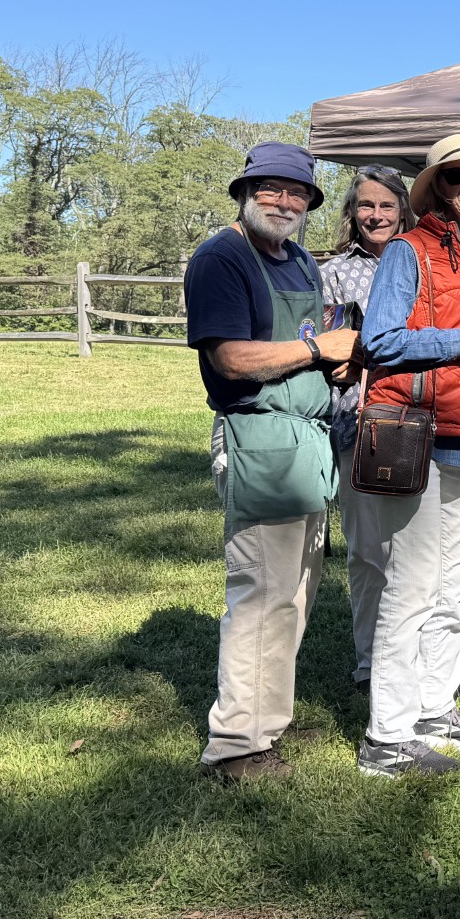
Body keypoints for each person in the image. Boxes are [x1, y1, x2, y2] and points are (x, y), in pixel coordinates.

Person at [184, 142, 358, 781]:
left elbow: (309, 346)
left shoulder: (299, 259)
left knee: (292, 596)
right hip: (260, 442)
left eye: (297, 193)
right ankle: (236, 748)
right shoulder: (222, 257)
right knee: (262, 596)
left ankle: (263, 730)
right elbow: (229, 358)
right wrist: (318, 349)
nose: (284, 202)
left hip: (306, 443)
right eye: (271, 189)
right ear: (245, 192)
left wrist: (335, 358)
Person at [357, 134, 460, 779]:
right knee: (410, 586)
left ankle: (433, 708)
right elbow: (380, 341)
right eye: (457, 178)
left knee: (451, 583)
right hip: (414, 434)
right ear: (438, 190)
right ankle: (387, 737)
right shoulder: (410, 252)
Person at [320, 165, 415, 692]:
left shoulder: (425, 260)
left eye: (386, 205)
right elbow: (334, 358)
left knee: (416, 551)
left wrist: (368, 349)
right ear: (352, 214)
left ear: (403, 208)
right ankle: (370, 664)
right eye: (365, 206)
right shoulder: (335, 272)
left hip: (420, 420)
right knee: (366, 551)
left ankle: (413, 662)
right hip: (359, 421)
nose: (376, 215)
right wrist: (362, 351)